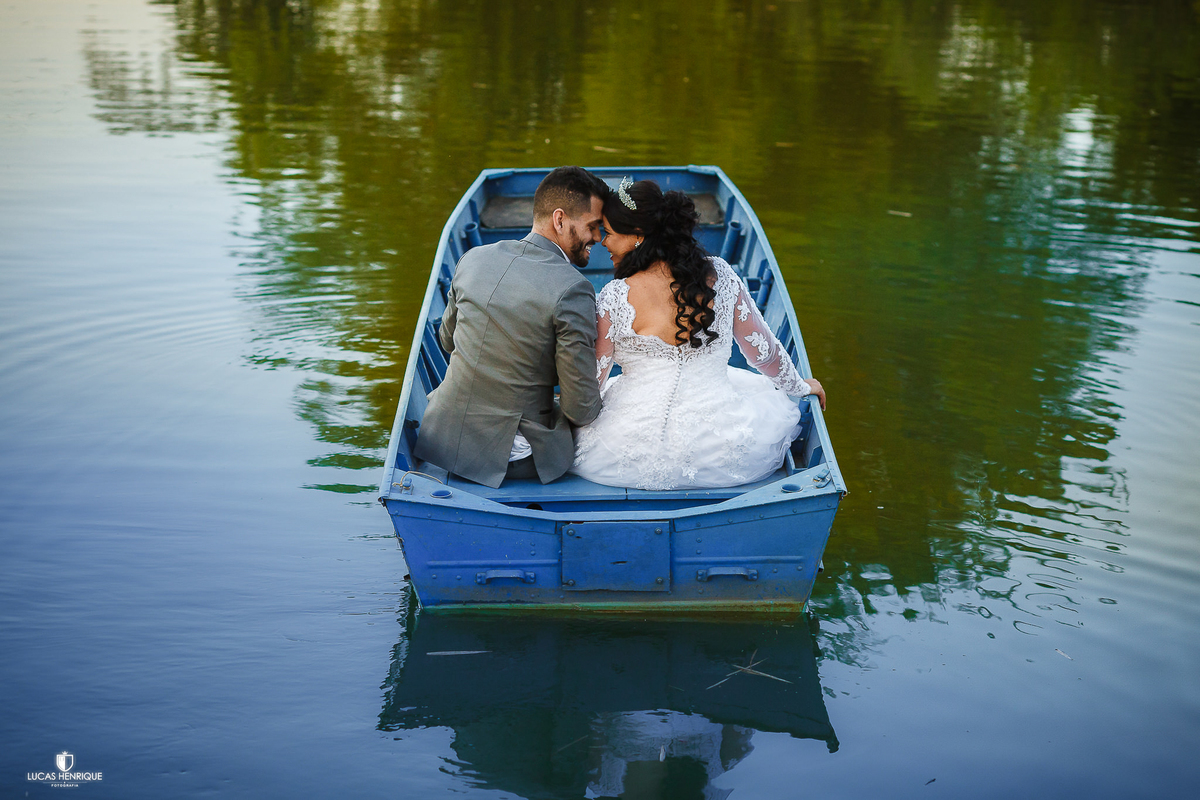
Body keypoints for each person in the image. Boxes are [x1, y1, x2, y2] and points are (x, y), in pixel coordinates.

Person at [570, 178, 826, 490]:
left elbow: (592, 384)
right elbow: (762, 351)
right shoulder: (721, 275)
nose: (604, 243)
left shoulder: (614, 297)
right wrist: (799, 386)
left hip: (623, 452)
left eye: (609, 234)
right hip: (719, 448)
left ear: (638, 236)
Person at [414, 166, 609, 488]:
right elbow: (581, 409)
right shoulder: (573, 288)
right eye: (593, 226)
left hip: (443, 440)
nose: (599, 238)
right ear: (559, 220)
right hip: (511, 458)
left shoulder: (473, 258)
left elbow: (447, 341)